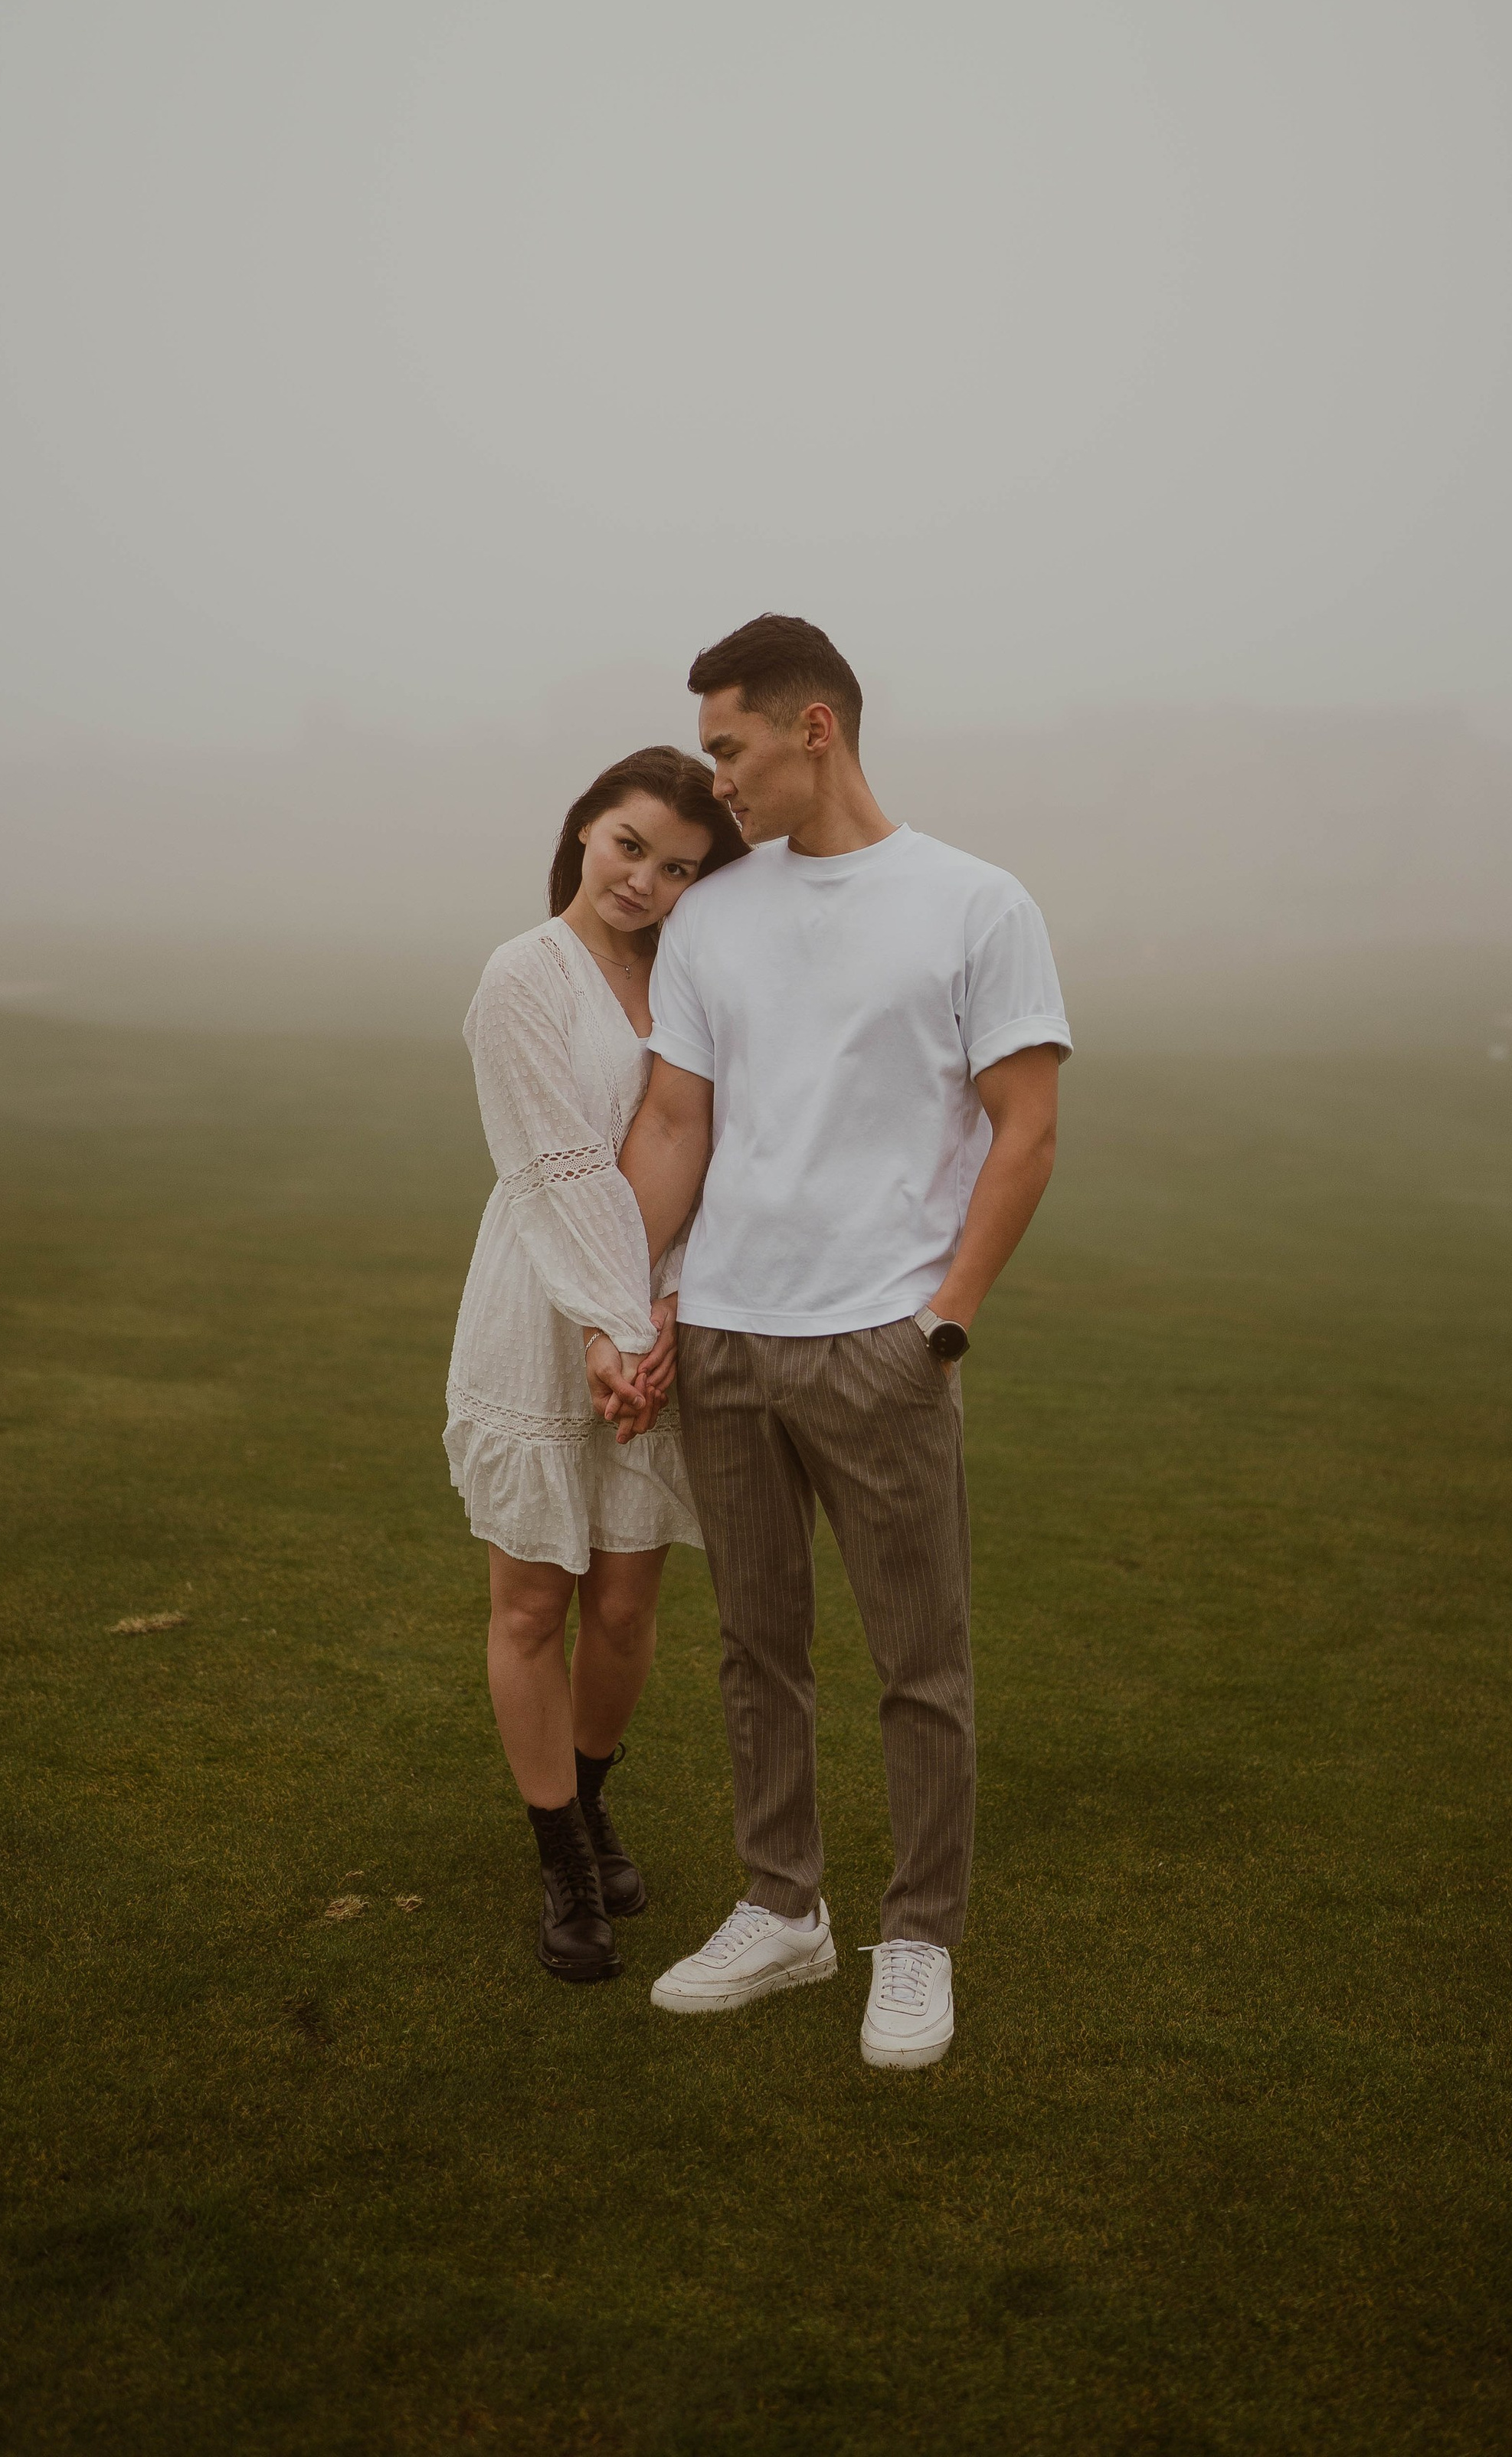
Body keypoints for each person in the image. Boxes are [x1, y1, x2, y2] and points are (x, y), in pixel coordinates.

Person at [606, 616, 1069, 2067]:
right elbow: (677, 1119)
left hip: (880, 1342)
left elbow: (1028, 1127)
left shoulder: (976, 903)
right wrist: (630, 1307)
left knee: (917, 1663)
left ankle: (918, 1936)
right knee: (758, 1649)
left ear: (816, 730)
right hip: (730, 1340)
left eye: (731, 750)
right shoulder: (714, 917)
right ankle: (782, 1911)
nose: (715, 783)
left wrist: (945, 1321)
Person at [444, 747, 746, 1984]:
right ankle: (562, 1855)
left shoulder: (695, 979)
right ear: (583, 832)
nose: (645, 881)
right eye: (630, 846)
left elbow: (714, 1153)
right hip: (541, 1308)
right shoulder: (523, 975)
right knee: (533, 1603)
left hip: (655, 1324)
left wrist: (664, 1312)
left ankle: (595, 1796)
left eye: (679, 867)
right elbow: (553, 1166)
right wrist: (606, 1325)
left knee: (625, 1603)